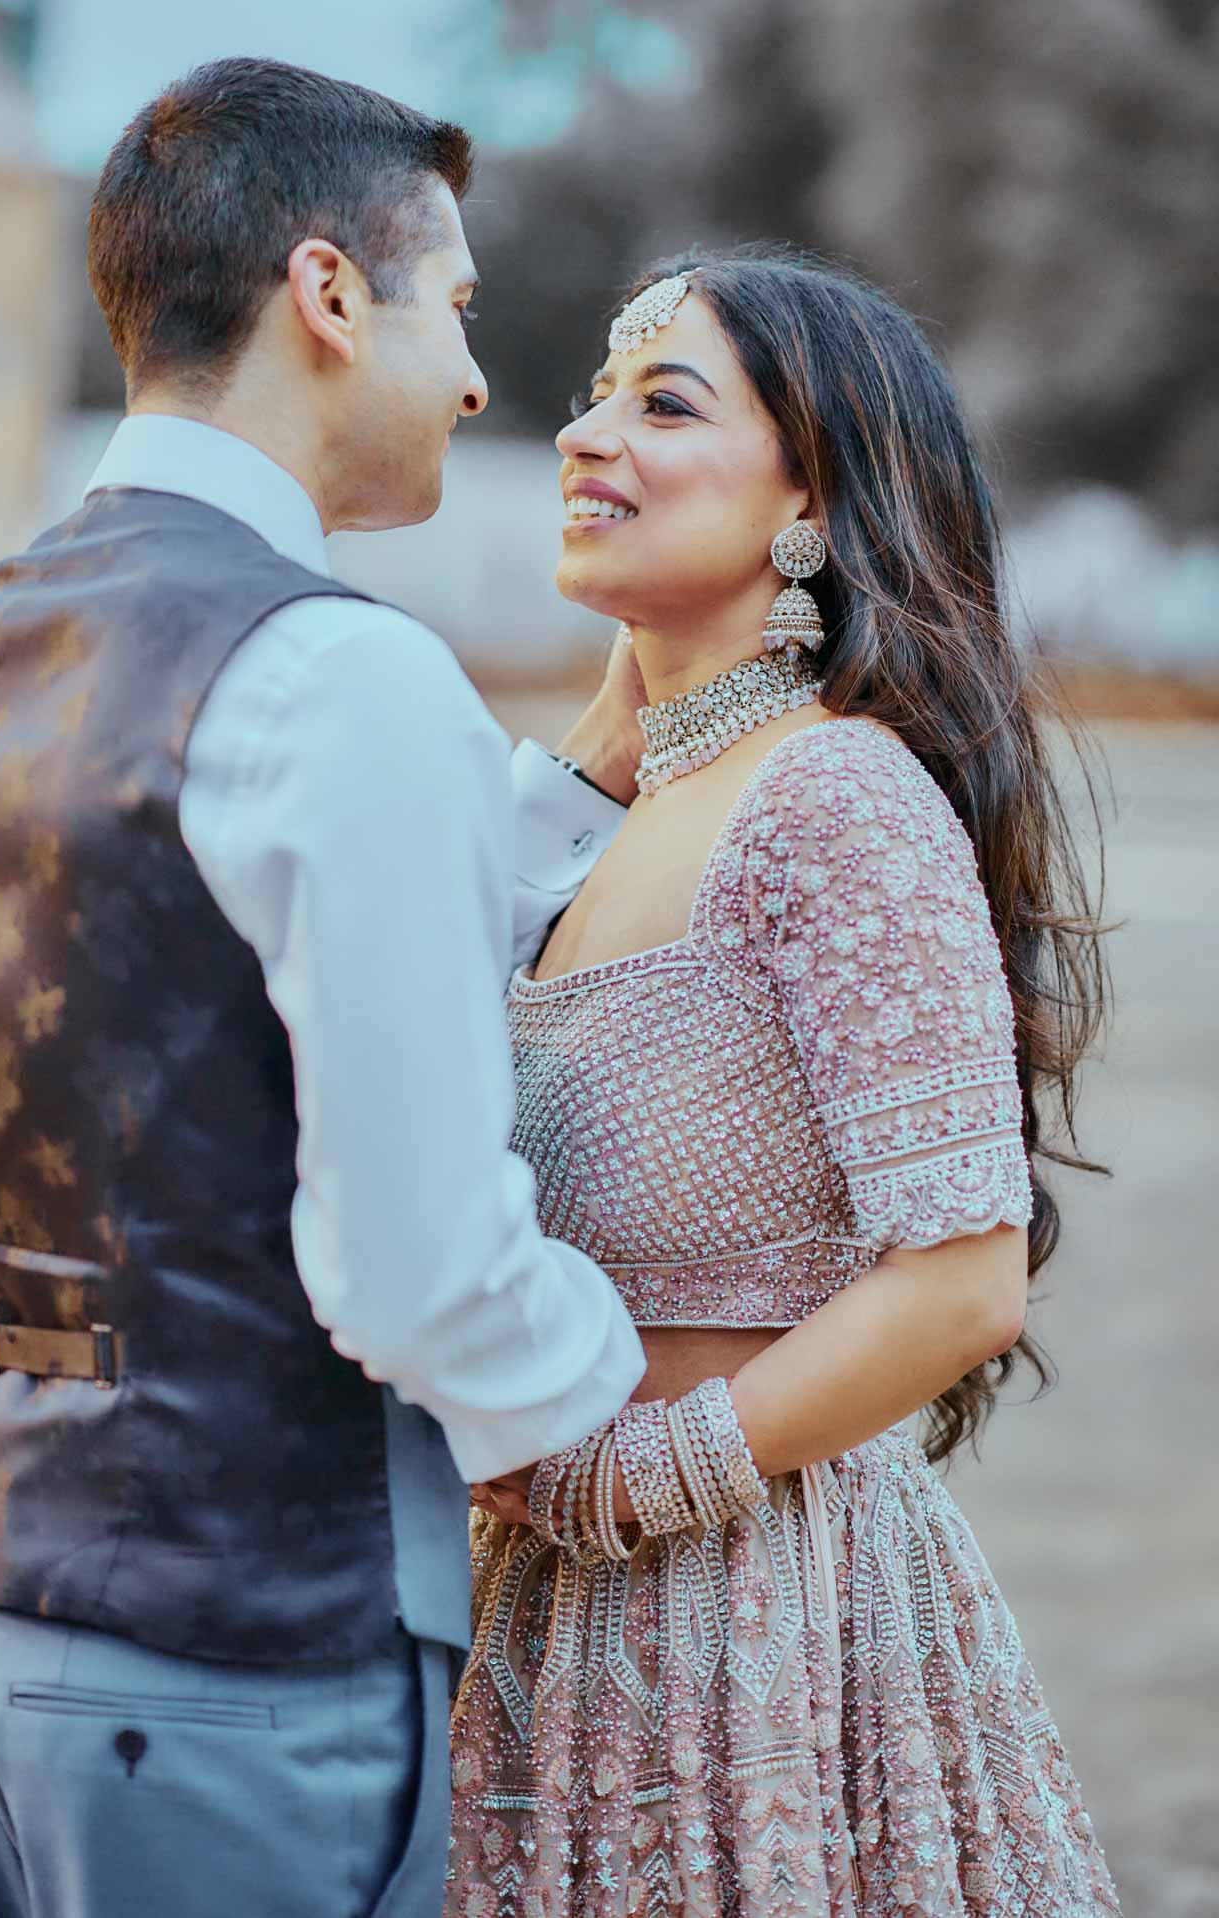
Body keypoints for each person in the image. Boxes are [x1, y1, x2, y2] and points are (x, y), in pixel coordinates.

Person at [0, 57, 651, 1918]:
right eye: (463, 308)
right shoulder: (340, 671)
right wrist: (621, 1391)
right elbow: (418, 1276)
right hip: (235, 1663)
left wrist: (582, 785)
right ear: (333, 295)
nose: (485, 383)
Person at [449, 255, 1122, 1915]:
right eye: (597, 394)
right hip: (544, 1601)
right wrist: (617, 747)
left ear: (810, 496)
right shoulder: (632, 809)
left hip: (746, 1621)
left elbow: (960, 1278)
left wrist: (637, 1480)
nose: (585, 435)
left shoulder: (833, 794)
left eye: (662, 403)